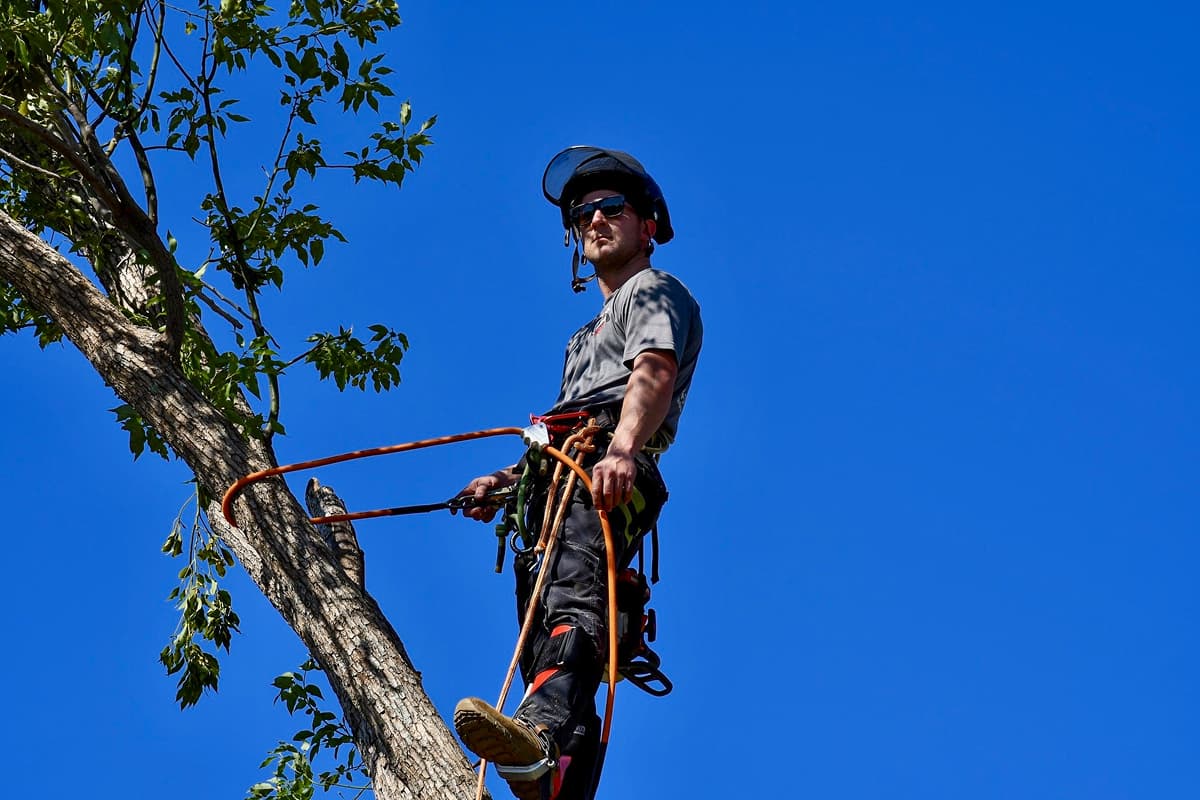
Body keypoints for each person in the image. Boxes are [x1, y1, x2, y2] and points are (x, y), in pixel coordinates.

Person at [452, 146, 703, 800]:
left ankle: (537, 737)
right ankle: (557, 778)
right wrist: (505, 483)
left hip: (604, 470)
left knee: (570, 606)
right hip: (557, 483)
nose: (594, 218)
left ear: (647, 224)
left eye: (611, 206)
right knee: (546, 644)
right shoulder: (581, 341)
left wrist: (621, 449)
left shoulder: (654, 290)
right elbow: (563, 423)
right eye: (582, 212)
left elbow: (653, 370)